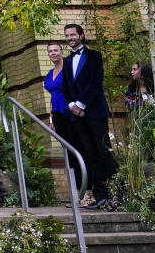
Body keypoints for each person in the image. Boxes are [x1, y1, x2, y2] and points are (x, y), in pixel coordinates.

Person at [61, 23, 118, 210]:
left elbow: (95, 83)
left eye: (72, 35)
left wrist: (81, 104)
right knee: (89, 154)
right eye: (67, 35)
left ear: (81, 36)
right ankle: (99, 195)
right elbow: (66, 88)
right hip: (77, 116)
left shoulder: (94, 56)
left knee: (103, 151)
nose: (70, 38)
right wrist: (71, 105)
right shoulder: (67, 61)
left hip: (94, 111)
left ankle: (116, 193)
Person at [43, 43, 83, 193]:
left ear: (61, 52)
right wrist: (51, 118)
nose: (53, 53)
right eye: (50, 51)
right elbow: (53, 98)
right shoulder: (49, 73)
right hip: (57, 113)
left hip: (70, 110)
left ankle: (85, 188)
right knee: (67, 150)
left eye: (55, 50)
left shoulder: (68, 68)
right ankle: (77, 191)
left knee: (77, 147)